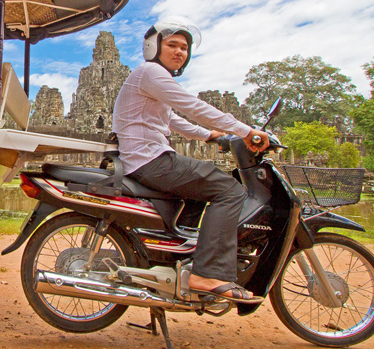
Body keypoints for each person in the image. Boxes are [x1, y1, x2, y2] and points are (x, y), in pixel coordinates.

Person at [112, 16, 269, 304]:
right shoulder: (151, 72)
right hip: (150, 159)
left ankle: (174, 258)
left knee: (198, 194)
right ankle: (206, 273)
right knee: (229, 190)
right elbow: (191, 106)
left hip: (147, 158)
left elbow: (171, 118)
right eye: (172, 45)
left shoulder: (153, 79)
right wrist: (245, 131)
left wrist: (210, 136)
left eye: (184, 48)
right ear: (153, 46)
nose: (179, 52)